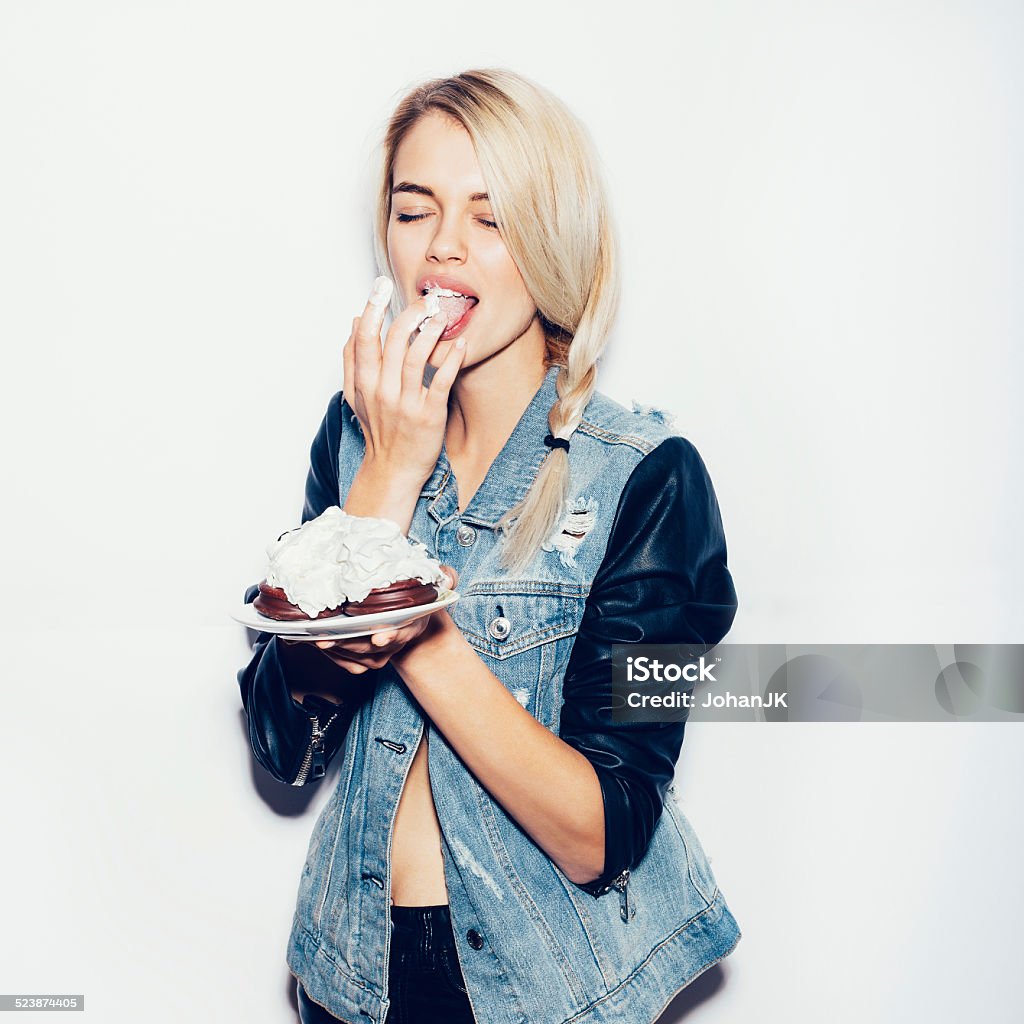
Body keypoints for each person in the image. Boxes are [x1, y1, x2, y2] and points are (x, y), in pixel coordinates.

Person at [238, 68, 741, 1024]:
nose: (442, 251)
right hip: (351, 978)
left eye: (491, 217)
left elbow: (606, 831)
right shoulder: (352, 444)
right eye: (414, 211)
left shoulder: (649, 477)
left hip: (545, 991)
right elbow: (281, 744)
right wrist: (384, 485)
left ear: (552, 239)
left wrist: (406, 613)